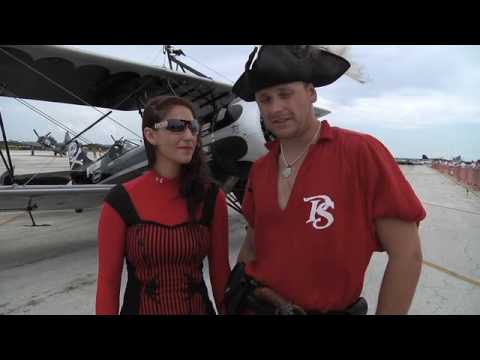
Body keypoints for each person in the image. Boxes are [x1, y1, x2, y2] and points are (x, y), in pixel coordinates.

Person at [226, 45, 426, 315]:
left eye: (285, 94)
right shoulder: (261, 169)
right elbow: (251, 245)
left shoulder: (360, 152)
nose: (275, 108)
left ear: (311, 93)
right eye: (265, 99)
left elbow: (407, 255)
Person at [96, 95, 230, 315]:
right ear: (150, 135)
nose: (189, 136)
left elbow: (221, 275)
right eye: (176, 127)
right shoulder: (120, 201)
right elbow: (108, 284)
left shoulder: (212, 198)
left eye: (193, 127)